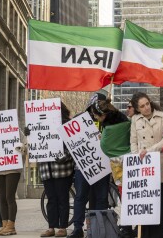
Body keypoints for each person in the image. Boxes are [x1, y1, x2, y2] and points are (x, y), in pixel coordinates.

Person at [68, 92, 112, 238]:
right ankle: (78, 229)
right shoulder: (79, 119)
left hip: (102, 165)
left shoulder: (108, 120)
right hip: (82, 166)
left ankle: (99, 229)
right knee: (80, 197)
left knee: (101, 198)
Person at [29, 102, 75, 237]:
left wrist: (64, 157)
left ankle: (62, 227)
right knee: (51, 199)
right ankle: (51, 227)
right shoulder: (38, 125)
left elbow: (73, 146)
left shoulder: (66, 125)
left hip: (62, 168)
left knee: (62, 198)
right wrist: (30, 132)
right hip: (46, 168)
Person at [90, 98, 133, 238]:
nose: (96, 118)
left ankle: (127, 227)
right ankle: (132, 225)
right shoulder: (127, 121)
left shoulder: (108, 129)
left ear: (103, 115)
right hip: (132, 161)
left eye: (97, 115)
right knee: (132, 196)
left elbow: (105, 147)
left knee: (124, 196)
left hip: (118, 166)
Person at [130, 92, 163, 238]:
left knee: (160, 206)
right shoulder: (135, 120)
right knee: (145, 205)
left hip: (160, 165)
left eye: (147, 104)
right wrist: (136, 158)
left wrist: (149, 151)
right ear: (137, 108)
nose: (146, 108)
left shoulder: (162, 116)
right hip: (143, 168)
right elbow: (133, 142)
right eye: (142, 106)